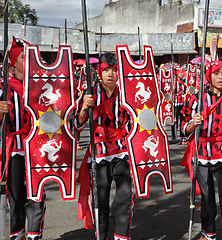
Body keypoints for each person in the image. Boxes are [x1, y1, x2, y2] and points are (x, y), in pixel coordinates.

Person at [76, 52, 133, 240]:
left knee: (124, 198)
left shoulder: (127, 93)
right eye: (106, 70)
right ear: (99, 72)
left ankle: (121, 236)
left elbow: (137, 122)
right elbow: (77, 125)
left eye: (115, 70)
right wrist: (85, 108)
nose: (111, 74)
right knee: (100, 201)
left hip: (123, 151)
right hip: (98, 154)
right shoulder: (90, 93)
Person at [181, 61, 222, 240]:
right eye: (217, 73)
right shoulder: (196, 99)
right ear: (209, 76)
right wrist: (193, 123)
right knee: (207, 198)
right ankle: (209, 234)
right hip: (201, 152)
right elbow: (184, 128)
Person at [0, 37, 46, 240]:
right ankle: (18, 236)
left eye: (31, 57)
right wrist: (0, 112)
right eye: (24, 57)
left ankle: (35, 236)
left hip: (37, 152)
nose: (29, 60)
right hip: (15, 152)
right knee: (15, 199)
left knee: (36, 197)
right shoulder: (3, 88)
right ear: (13, 63)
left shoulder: (41, 86)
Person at [172, 67, 186, 144]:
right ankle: (174, 138)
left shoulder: (183, 82)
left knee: (183, 121)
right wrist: (172, 89)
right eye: (180, 72)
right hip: (175, 103)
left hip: (182, 103)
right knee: (174, 121)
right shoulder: (173, 82)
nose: (182, 74)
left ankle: (182, 138)